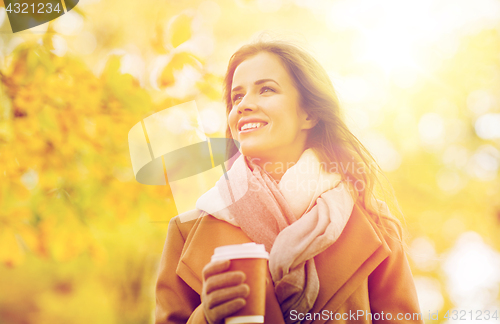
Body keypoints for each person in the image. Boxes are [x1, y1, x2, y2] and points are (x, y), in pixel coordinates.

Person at [155, 40, 424, 324]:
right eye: (237, 97)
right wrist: (206, 318)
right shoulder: (187, 232)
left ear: (309, 114)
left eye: (266, 89)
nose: (244, 105)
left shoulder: (373, 224)